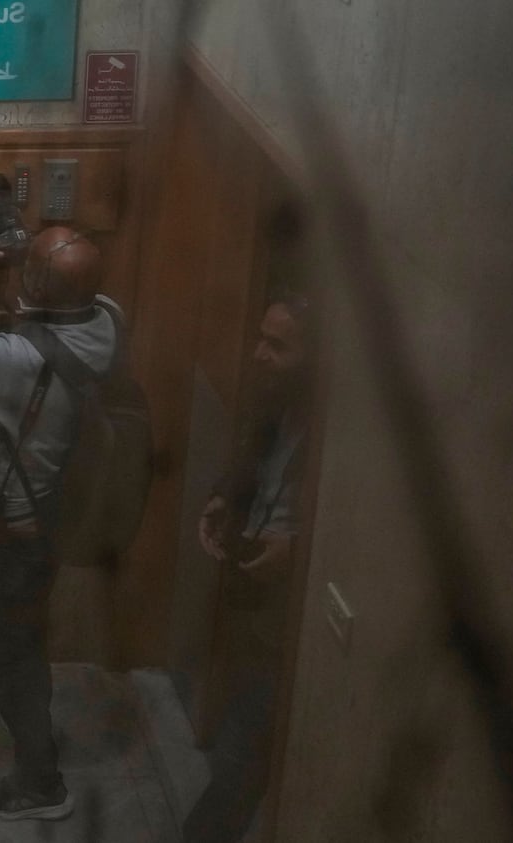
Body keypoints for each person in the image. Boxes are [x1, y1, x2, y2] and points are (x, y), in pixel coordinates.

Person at [0, 225, 123, 821]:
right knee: (20, 644)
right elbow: (63, 295)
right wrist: (30, 273)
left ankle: (41, 783)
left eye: (31, 269)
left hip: (5, 536)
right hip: (46, 518)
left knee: (6, 654)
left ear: (38, 286)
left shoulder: (18, 358)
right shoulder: (107, 321)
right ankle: (31, 751)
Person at [185, 296, 315, 843]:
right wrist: (223, 499)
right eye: (260, 338)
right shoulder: (273, 403)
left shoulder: (338, 430)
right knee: (239, 745)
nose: (258, 354)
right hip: (252, 591)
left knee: (243, 753)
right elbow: (251, 464)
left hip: (295, 617)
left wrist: (299, 551)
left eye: (277, 346)